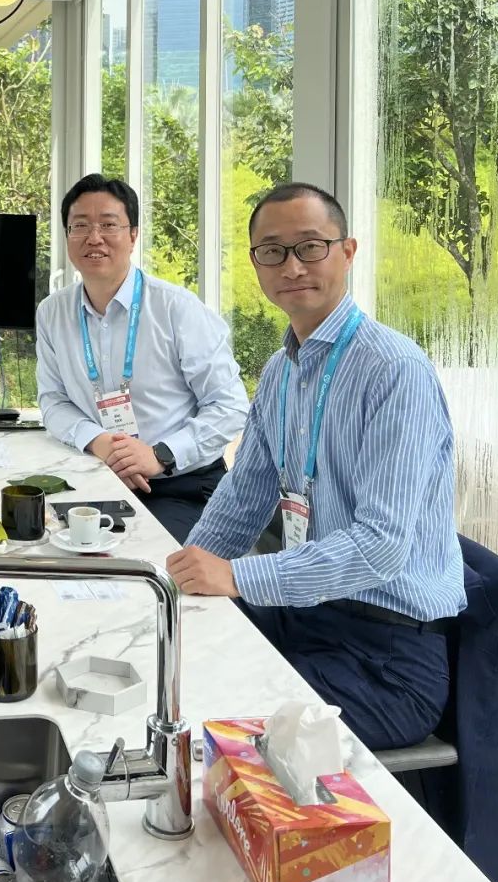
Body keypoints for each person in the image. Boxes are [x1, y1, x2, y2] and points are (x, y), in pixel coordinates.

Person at [167, 182, 467, 752]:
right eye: (272, 250)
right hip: (304, 615)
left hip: (386, 659)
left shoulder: (394, 370)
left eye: (310, 246)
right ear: (256, 263)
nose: (292, 266)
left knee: (208, 724)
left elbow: (380, 546)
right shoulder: (280, 372)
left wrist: (236, 578)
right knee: (167, 663)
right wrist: (183, 575)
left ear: (347, 252)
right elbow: (242, 499)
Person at [36, 174, 248, 542]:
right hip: (98, 475)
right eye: (80, 226)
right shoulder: (52, 312)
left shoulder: (176, 309)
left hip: (181, 485)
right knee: (40, 546)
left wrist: (160, 455)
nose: (94, 237)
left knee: (149, 565)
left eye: (108, 225)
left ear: (133, 235)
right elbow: (53, 400)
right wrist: (99, 442)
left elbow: (230, 406)